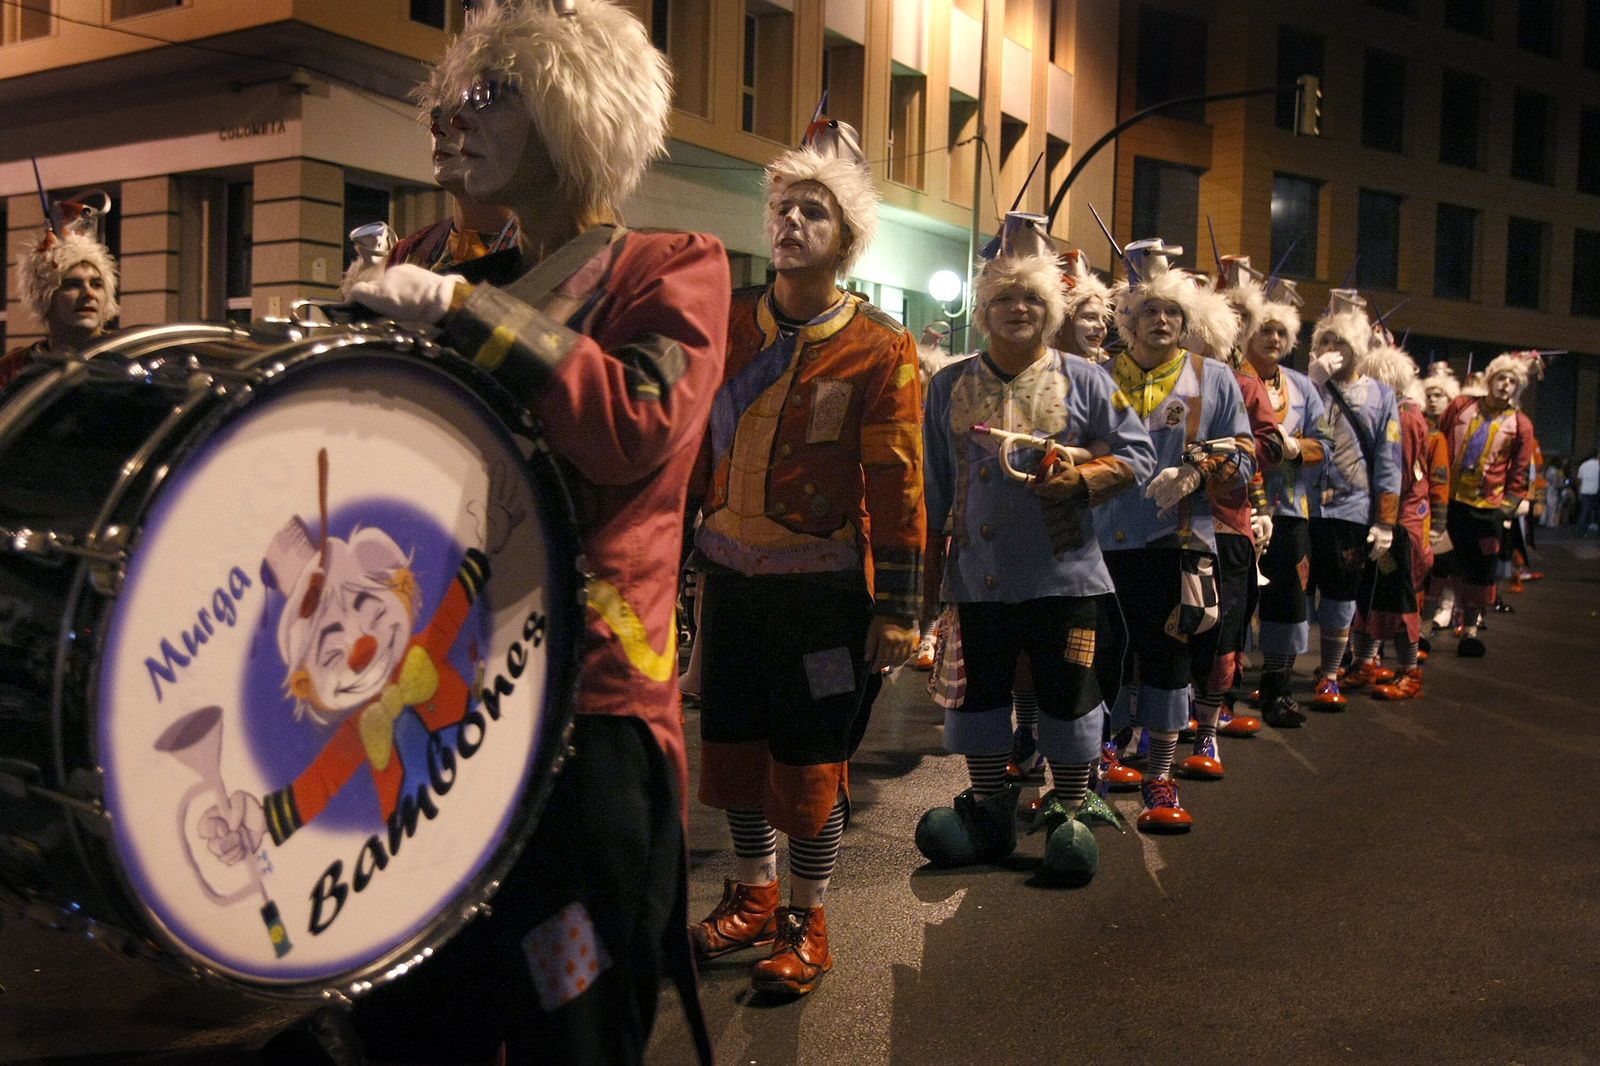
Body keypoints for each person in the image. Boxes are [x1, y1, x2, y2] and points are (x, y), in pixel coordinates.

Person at [343, 1, 730, 1061]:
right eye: (449, 98)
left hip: (584, 718)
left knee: (576, 1016)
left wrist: (465, 314)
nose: (448, 121)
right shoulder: (436, 255)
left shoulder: (670, 266)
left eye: (490, 95)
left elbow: (634, 423)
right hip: (426, 710)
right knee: (418, 1016)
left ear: (574, 115)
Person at [688, 116, 924, 997]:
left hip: (824, 597)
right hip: (732, 584)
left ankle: (806, 914)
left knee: (812, 757)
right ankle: (752, 895)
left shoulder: (880, 346)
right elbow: (691, 457)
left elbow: (900, 483)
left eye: (812, 213)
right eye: (783, 208)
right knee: (738, 746)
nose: (790, 224)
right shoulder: (727, 328)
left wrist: (900, 608)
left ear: (847, 239)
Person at [911, 213, 1153, 882]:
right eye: (1004, 299)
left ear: (1050, 311)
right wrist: (926, 593)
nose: (1018, 309)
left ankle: (1071, 809)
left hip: (1068, 576)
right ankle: (988, 807)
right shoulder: (948, 384)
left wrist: (1079, 478)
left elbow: (1138, 453)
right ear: (983, 310)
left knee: (1069, 695)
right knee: (981, 696)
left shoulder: (1087, 379)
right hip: (977, 576)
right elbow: (933, 489)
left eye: (1032, 300)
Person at [1097, 238, 1254, 831]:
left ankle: (1160, 778)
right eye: (1149, 312)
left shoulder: (1213, 379)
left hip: (1178, 545)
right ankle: (1093, 767)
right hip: (1099, 546)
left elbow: (1245, 457)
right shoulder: (1095, 375)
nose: (1161, 321)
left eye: (1173, 313)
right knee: (1100, 659)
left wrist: (1197, 470)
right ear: (1128, 319)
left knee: (1168, 661)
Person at [1181, 276, 1276, 770]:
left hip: (1227, 525)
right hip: (1170, 527)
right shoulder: (1159, 380)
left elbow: (1272, 444)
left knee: (1223, 631)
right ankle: (1160, 724)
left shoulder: (1242, 383)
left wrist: (1218, 455)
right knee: (1172, 629)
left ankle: (1208, 729)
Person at [1302, 291, 1401, 708]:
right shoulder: (1306, 385)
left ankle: (1328, 673)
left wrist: (1385, 521)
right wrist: (1311, 384)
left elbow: (1389, 459)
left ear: (1357, 348)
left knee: (1341, 593)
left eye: (1339, 342)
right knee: (1295, 591)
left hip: (1352, 508)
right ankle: (1278, 669)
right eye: (1324, 341)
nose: (1330, 351)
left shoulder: (1380, 395)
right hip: (1303, 506)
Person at [1236, 278, 1328, 728]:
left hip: (1290, 509)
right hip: (1237, 506)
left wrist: (1297, 449)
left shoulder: (1303, 387)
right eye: (1265, 330)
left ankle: (1277, 686)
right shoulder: (1230, 376)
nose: (1273, 339)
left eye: (1281, 333)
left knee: (1289, 601)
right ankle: (1219, 694)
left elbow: (1324, 442)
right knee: (1234, 601)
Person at [1344, 335, 1430, 701]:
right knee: (1369, 593)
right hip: (1380, 517)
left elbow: (1399, 474)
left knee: (1397, 598)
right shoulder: (1394, 411)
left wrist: (1386, 519)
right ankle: (1364, 661)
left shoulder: (1406, 416)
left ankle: (1409, 671)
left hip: (1398, 522)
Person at [1437, 354, 1537, 656]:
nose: (1505, 385)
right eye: (1501, 378)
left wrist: (1504, 509)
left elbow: (1519, 472)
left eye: (1512, 381)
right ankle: (1427, 627)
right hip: (1450, 502)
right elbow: (1438, 443)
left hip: (1486, 508)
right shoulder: (1461, 406)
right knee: (1439, 565)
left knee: (1480, 572)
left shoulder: (1521, 424)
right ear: (1490, 379)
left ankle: (1470, 629)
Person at [384, 70, 520, 273]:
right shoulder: (409, 252)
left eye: (458, 114)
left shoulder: (541, 249)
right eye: (435, 116)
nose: (436, 129)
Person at [2, 226, 119, 390]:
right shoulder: (12, 369)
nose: (89, 293)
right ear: (44, 297)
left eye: (96, 284)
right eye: (72, 285)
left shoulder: (126, 355)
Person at [1053, 249, 1113, 363]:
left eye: (1104, 319)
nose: (1102, 327)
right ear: (1060, 321)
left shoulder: (1108, 372)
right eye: (1090, 317)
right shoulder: (1032, 368)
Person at [1577, 448, 1599, 536]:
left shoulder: (1583, 465)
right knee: (1597, 512)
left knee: (1584, 512)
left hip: (1585, 490)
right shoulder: (1598, 465)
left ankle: (1581, 531)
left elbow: (1579, 479)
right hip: (1596, 491)